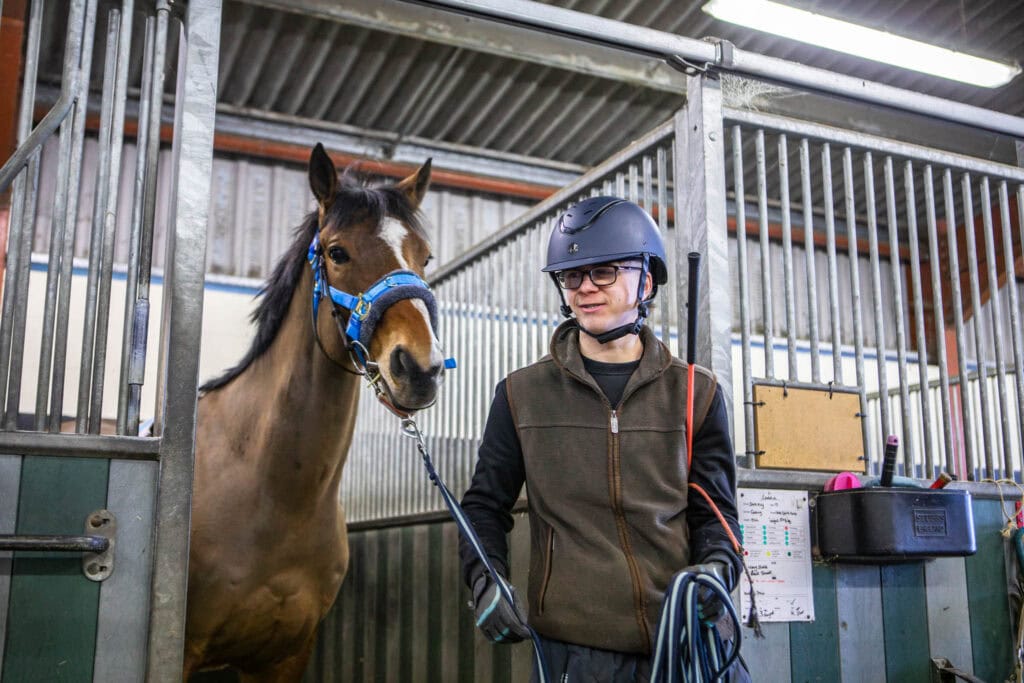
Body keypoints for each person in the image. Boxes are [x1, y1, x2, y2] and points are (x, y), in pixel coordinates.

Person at [459, 196, 747, 682]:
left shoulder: (697, 393)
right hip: (577, 657)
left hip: (684, 645)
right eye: (573, 276)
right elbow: (484, 505)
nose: (586, 288)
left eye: (605, 271)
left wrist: (717, 569)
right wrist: (485, 580)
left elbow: (716, 514)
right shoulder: (520, 395)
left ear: (647, 281)